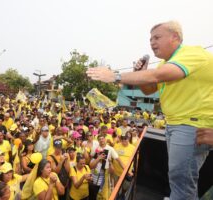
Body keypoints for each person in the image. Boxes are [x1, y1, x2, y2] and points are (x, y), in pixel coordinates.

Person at [87, 20, 213, 200]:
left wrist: (115, 76)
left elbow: (157, 76)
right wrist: (143, 72)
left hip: (191, 125)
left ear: (175, 37)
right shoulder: (165, 63)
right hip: (175, 124)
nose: (152, 42)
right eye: (150, 39)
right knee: (178, 180)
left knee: (181, 182)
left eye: (157, 37)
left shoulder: (191, 54)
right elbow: (149, 89)